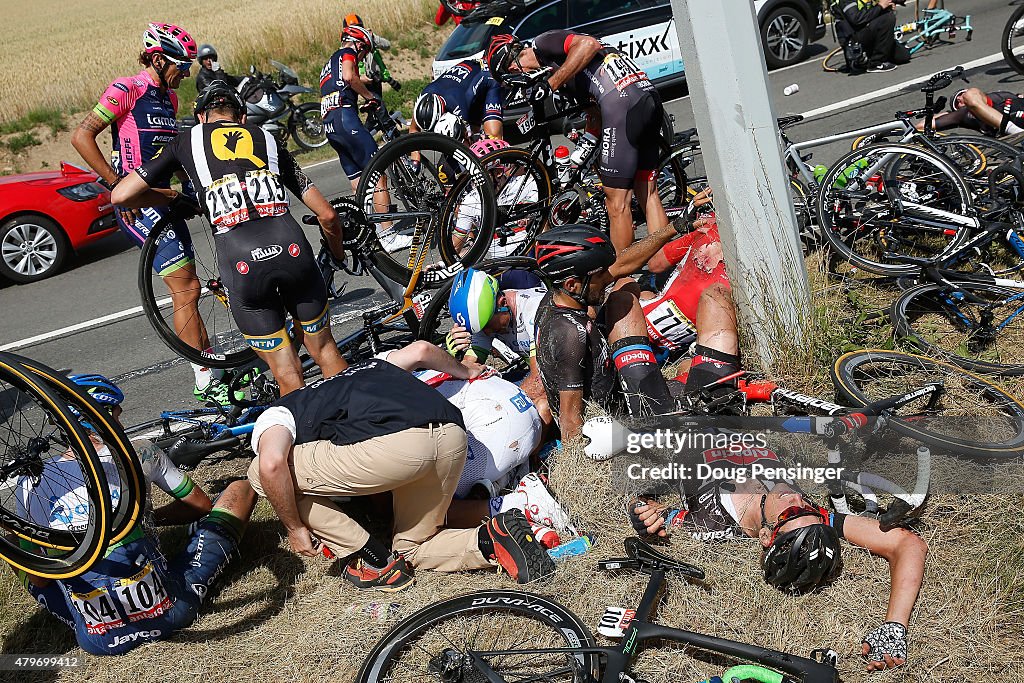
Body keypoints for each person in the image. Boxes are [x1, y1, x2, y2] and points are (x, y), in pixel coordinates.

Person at [111, 83, 348, 396]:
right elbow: (328, 216)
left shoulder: (185, 141)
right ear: (243, 117)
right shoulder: (268, 138)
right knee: (326, 351)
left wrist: (172, 197)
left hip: (241, 261)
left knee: (286, 372)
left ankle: (309, 439)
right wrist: (337, 255)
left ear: (200, 116)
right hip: (292, 249)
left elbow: (121, 194)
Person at [246, 358, 556, 591]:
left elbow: (272, 464)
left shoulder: (276, 415)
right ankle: (490, 540)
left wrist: (294, 527)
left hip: (405, 446)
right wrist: (466, 370)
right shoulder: (362, 369)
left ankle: (372, 558)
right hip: (453, 434)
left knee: (260, 474)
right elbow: (421, 350)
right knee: (412, 547)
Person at [14, 374, 257, 655]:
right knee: (241, 490)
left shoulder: (28, 482)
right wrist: (148, 519)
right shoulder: (140, 452)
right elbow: (200, 506)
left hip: (97, 640)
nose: (120, 422)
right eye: (117, 415)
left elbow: (40, 579)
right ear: (102, 416)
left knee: (18, 546)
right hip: (170, 613)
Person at [629, 448, 927, 672]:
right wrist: (895, 626)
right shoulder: (812, 518)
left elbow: (650, 505)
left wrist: (643, 512)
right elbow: (907, 542)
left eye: (790, 513)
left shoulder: (710, 524)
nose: (796, 500)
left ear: (765, 536)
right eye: (807, 506)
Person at [71, 23, 230, 406]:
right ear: (158, 59)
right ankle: (205, 379)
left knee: (189, 287)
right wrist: (116, 185)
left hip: (162, 197)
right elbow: (82, 136)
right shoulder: (127, 88)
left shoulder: (169, 100)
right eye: (181, 64)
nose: (187, 73)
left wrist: (192, 188)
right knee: (187, 288)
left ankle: (208, 365)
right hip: (136, 202)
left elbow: (167, 155)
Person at [486, 32, 669, 253]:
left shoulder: (542, 45)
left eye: (512, 78)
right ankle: (664, 261)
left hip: (623, 105)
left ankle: (619, 277)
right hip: (646, 97)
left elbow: (589, 44)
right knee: (647, 192)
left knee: (617, 204)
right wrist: (584, 153)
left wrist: (550, 85)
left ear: (512, 67)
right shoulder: (563, 67)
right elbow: (594, 115)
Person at [532, 222, 715, 442]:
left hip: (610, 381)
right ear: (573, 285)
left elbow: (621, 265)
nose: (607, 279)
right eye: (600, 277)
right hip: (621, 418)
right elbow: (571, 423)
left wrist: (675, 227)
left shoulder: (553, 299)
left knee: (626, 285)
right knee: (697, 375)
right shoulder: (569, 334)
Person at [373, 340, 572, 534]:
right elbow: (422, 349)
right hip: (516, 403)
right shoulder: (374, 366)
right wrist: (465, 370)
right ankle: (508, 475)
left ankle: (519, 504)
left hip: (494, 425)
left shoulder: (359, 411)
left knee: (420, 515)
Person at [320, 24, 408, 253]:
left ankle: (368, 233)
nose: (362, 57)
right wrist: (371, 97)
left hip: (330, 125)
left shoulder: (328, 64)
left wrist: (365, 84)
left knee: (359, 181)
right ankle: (387, 235)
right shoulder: (347, 53)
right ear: (358, 43)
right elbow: (350, 77)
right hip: (345, 120)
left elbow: (343, 82)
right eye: (364, 52)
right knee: (378, 174)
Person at [639, 191, 740, 377]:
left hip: (645, 332)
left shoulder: (709, 226)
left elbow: (654, 263)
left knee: (632, 285)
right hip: (680, 347)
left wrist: (685, 221)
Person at [410, 59, 503, 141]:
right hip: (464, 83)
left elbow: (465, 141)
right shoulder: (423, 100)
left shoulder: (458, 107)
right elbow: (413, 130)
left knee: (492, 137)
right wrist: (416, 160)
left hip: (488, 78)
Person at [833, 0, 911, 73]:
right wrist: (880, 6)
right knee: (888, 18)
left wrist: (890, 2)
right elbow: (857, 19)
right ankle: (875, 63)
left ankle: (865, 60)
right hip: (854, 40)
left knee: (904, 56)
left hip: (870, 34)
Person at [921, 88, 1024, 137]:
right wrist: (946, 114)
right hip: (1016, 131)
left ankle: (1016, 132)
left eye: (961, 94)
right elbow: (922, 126)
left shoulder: (993, 96)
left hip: (1019, 110)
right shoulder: (964, 115)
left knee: (971, 93)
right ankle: (1016, 132)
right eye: (957, 103)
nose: (960, 98)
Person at [342, 13, 393, 100]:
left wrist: (372, 38)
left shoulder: (369, 38)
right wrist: (360, 79)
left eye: (358, 27)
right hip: (359, 81)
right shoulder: (347, 45)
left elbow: (387, 45)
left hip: (374, 80)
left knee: (378, 106)